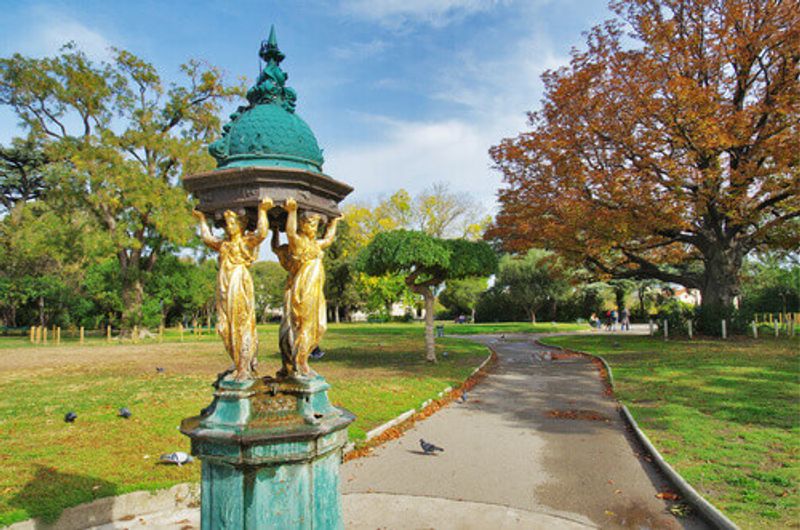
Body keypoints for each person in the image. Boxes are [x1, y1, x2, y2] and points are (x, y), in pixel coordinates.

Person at [193, 197, 271, 381]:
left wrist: (263, 211)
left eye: (232, 223)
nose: (229, 227)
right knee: (223, 327)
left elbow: (262, 233)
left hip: (238, 284)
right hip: (224, 286)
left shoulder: (245, 242)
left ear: (241, 225)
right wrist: (202, 220)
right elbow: (207, 238)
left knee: (241, 323)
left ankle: (244, 366)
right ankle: (238, 362)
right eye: (227, 224)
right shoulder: (225, 245)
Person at [275, 197, 341, 376]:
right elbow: (289, 232)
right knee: (304, 325)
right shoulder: (299, 243)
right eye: (310, 224)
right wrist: (291, 212)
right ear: (302, 225)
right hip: (304, 290)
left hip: (316, 292)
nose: (313, 228)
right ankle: (300, 363)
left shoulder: (316, 244)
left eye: (316, 225)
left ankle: (301, 358)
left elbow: (328, 239)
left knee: (320, 327)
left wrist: (334, 222)